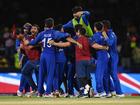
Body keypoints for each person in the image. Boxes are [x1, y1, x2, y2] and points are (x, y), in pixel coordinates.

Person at [23, 18, 82, 97]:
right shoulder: (55, 33)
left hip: (43, 55)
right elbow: (67, 37)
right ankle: (48, 93)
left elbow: (34, 42)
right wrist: (77, 42)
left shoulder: (42, 33)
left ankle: (40, 92)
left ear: (45, 25)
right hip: (50, 55)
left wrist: (28, 43)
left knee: (42, 73)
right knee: (51, 74)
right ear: (53, 25)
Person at [102, 20, 124, 97]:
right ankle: (110, 91)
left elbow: (110, 43)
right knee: (106, 74)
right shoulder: (107, 33)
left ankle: (120, 93)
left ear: (105, 27)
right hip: (107, 57)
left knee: (114, 75)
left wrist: (105, 35)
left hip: (113, 57)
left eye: (102, 26)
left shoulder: (111, 34)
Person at [20, 24, 41, 97]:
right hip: (30, 60)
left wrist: (32, 45)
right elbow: (25, 46)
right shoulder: (28, 37)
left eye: (35, 29)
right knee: (24, 72)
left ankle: (46, 91)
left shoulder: (39, 37)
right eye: (32, 28)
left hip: (37, 60)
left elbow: (41, 44)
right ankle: (35, 88)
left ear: (37, 31)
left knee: (41, 76)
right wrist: (22, 46)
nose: (33, 30)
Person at [90, 22, 109, 98]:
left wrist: (103, 47)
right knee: (104, 75)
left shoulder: (95, 36)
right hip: (105, 56)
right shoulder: (104, 35)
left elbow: (94, 45)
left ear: (95, 28)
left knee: (98, 75)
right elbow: (108, 44)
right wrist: (105, 47)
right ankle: (106, 91)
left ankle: (101, 91)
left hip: (101, 56)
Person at [16, 23, 32, 96]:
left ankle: (27, 90)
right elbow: (18, 48)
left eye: (27, 28)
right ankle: (21, 89)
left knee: (28, 73)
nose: (26, 30)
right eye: (25, 28)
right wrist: (20, 60)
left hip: (30, 57)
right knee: (24, 73)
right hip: (23, 57)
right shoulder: (19, 37)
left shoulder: (30, 37)